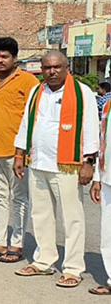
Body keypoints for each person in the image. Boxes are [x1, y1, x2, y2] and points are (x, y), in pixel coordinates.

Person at [13, 51, 98, 288]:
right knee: (40, 214)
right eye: (47, 67)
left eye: (57, 67)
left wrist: (88, 162)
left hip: (68, 165)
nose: (52, 71)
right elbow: (26, 123)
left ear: (67, 67)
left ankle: (73, 268)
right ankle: (44, 261)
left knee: (72, 218)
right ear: (41, 69)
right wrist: (19, 153)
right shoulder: (36, 91)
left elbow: (91, 126)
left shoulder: (82, 93)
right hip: (39, 162)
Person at [0, 38, 39, 262]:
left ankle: (17, 244)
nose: (0, 60)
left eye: (5, 56)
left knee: (19, 198)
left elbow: (34, 118)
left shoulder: (28, 82)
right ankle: (0, 242)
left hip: (17, 153)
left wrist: (23, 152)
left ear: (15, 58)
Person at [91, 96, 111, 295]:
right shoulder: (108, 104)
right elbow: (103, 143)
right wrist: (97, 177)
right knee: (108, 234)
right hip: (108, 177)